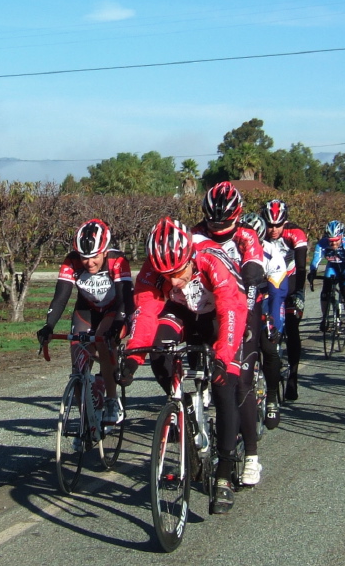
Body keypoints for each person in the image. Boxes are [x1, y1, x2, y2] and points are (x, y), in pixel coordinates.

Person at [122, 216, 247, 514]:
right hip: (181, 313)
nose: (174, 281)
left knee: (224, 385)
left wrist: (223, 356)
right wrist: (132, 359)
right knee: (159, 352)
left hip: (219, 315)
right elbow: (146, 314)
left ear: (190, 257)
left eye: (178, 272)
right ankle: (183, 409)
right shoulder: (155, 271)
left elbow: (231, 310)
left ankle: (224, 476)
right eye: (166, 275)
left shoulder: (211, 260)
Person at [192, 182, 266, 487]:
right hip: (210, 308)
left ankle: (251, 455)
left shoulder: (246, 236)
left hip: (244, 307)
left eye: (223, 222)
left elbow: (252, 277)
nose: (216, 227)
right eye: (211, 221)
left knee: (239, 385)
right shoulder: (196, 233)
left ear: (237, 216)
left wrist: (245, 319)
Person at [37, 219, 133, 427]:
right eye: (84, 257)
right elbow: (61, 298)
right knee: (78, 364)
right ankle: (85, 422)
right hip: (86, 310)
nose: (89, 263)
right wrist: (49, 326)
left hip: (113, 310)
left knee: (103, 342)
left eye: (94, 257)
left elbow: (126, 299)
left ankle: (111, 400)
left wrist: (118, 325)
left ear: (105, 251)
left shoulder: (118, 260)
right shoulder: (71, 261)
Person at [239, 212, 286, 430]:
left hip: (267, 298)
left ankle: (273, 398)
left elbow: (277, 293)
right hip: (241, 300)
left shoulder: (272, 253)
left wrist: (274, 323)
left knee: (268, 346)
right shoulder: (232, 251)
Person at [260, 199, 308, 401]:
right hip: (268, 282)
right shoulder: (258, 234)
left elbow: (301, 265)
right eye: (269, 224)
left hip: (292, 280)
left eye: (278, 225)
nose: (273, 229)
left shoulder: (294, 233)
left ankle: (293, 377)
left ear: (285, 222)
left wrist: (297, 293)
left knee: (292, 326)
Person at [308, 220, 345, 337]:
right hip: (332, 267)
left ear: (341, 236)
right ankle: (325, 318)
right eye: (330, 241)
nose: (333, 244)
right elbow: (316, 260)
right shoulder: (321, 244)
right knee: (325, 292)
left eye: (336, 240)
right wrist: (312, 271)